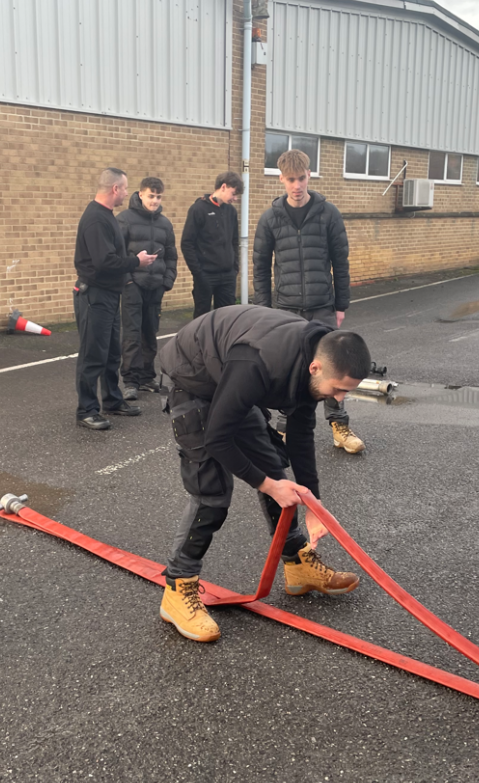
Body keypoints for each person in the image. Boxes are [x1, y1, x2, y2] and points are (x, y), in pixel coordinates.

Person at [155, 305, 371, 642]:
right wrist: (268, 486)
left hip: (229, 376)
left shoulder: (314, 362)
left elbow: (300, 434)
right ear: (316, 368)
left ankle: (297, 564)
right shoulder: (257, 362)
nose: (340, 399)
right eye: (338, 389)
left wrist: (313, 503)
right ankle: (178, 589)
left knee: (276, 470)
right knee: (211, 495)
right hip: (195, 378)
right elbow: (218, 438)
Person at [253, 149, 364, 455]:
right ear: (281, 180)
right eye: (290, 179)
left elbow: (340, 262)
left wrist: (341, 305)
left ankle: (339, 427)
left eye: (301, 178)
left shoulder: (328, 214)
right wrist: (263, 310)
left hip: (322, 306)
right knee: (290, 370)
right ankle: (286, 430)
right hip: (285, 308)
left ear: (309, 176)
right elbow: (260, 266)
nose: (296, 185)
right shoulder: (270, 218)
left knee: (333, 366)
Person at [73, 168, 159, 430]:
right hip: (94, 296)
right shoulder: (96, 219)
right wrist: (137, 261)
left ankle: (112, 400)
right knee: (93, 354)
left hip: (109, 295)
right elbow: (103, 262)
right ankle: (86, 410)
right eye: (124, 188)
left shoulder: (107, 216)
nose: (126, 193)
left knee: (111, 352)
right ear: (114, 189)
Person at [116, 176, 177, 400]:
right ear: (140, 194)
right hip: (132, 285)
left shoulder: (165, 224)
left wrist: (166, 281)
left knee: (150, 332)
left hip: (155, 287)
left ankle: (146, 377)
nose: (154, 201)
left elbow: (171, 256)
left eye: (158, 197)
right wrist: (128, 281)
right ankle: (130, 381)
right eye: (151, 196)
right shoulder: (124, 220)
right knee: (132, 334)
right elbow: (118, 254)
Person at [181, 172, 243, 318]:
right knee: (202, 319)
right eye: (233, 194)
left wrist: (235, 267)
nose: (235, 199)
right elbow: (187, 243)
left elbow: (235, 241)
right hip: (205, 275)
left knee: (226, 319)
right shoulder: (198, 209)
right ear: (223, 187)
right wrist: (198, 273)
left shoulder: (231, 212)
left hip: (228, 275)